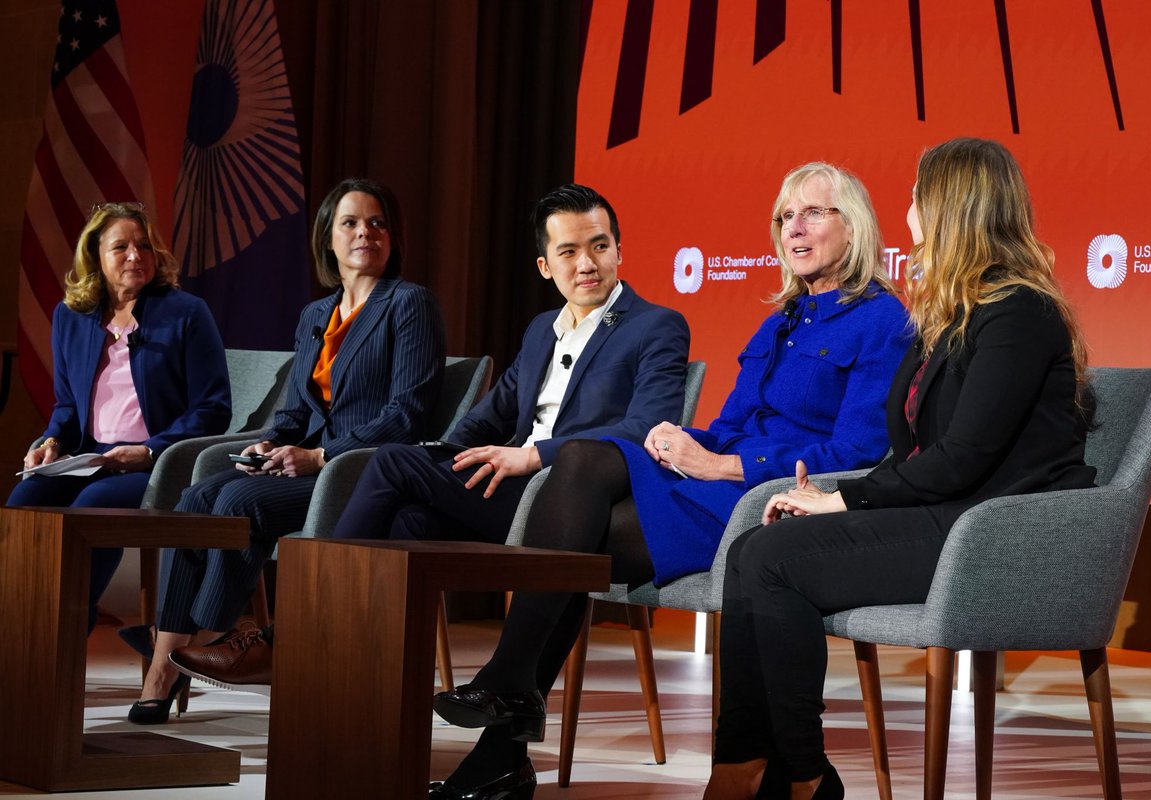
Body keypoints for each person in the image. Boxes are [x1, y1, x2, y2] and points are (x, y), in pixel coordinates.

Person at [427, 163, 911, 799]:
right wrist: (684, 442)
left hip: (768, 502)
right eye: (785, 217)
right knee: (584, 467)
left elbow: (858, 451)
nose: (795, 228)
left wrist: (719, 465)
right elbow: (731, 424)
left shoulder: (883, 321)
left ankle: (506, 720)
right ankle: (508, 711)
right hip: (713, 485)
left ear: (855, 228)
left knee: (578, 536)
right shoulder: (780, 323)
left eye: (814, 213)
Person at [166, 183, 692, 696]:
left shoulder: (655, 326)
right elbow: (489, 417)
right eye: (569, 251)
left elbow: (645, 427)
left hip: (569, 502)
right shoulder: (541, 331)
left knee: (393, 464)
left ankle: (294, 637)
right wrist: (443, 457)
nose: (587, 264)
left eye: (599, 247)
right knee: (403, 524)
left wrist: (531, 454)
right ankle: (364, 692)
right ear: (545, 266)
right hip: (505, 493)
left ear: (619, 250)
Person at [706, 138, 1098, 800]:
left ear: (950, 205)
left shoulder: (1019, 313)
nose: (907, 206)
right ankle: (748, 761)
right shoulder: (950, 313)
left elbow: (962, 458)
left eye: (918, 193)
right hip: (943, 515)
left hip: (991, 534)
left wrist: (844, 501)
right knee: (752, 548)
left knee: (772, 560)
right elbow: (913, 448)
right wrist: (831, 495)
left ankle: (802, 775)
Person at [124, 178, 446, 724]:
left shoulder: (408, 304)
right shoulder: (315, 316)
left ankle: (206, 645)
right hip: (307, 467)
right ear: (328, 240)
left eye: (377, 222)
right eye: (350, 222)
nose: (365, 231)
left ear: (393, 238)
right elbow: (297, 411)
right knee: (198, 496)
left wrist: (321, 458)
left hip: (360, 473)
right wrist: (271, 442)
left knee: (239, 503)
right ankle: (173, 657)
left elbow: (407, 415)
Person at [7, 202, 231, 634]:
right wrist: (50, 442)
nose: (135, 256)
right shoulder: (70, 317)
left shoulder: (186, 313)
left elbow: (213, 408)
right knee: (24, 502)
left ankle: (66, 629)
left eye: (144, 246)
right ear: (95, 257)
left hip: (158, 463)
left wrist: (149, 450)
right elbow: (68, 407)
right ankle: (21, 628)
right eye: (121, 247)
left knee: (90, 508)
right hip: (90, 457)